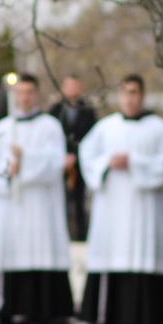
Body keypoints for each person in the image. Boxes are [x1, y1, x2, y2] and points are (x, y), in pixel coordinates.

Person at [78, 75, 163, 324]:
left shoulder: (160, 129)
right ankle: (108, 321)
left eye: (134, 92)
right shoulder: (105, 128)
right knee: (113, 257)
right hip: (112, 207)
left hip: (145, 209)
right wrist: (106, 163)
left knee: (144, 257)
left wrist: (134, 162)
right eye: (125, 93)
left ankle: (147, 323)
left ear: (142, 95)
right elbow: (87, 156)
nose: (129, 98)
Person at [0, 74, 74, 324]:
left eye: (29, 92)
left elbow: (55, 162)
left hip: (38, 204)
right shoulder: (1, 129)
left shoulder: (50, 126)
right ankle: (5, 312)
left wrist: (26, 162)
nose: (24, 97)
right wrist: (8, 170)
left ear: (37, 94)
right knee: (8, 253)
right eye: (20, 92)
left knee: (37, 252)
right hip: (8, 204)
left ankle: (38, 314)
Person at [55, 75, 99, 243]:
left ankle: (81, 235)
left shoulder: (88, 111)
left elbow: (92, 137)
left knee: (80, 200)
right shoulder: (56, 110)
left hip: (81, 163)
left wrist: (77, 155)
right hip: (60, 162)